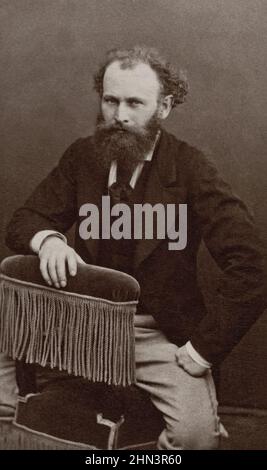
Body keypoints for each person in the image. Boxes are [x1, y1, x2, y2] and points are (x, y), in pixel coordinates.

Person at [4, 46, 266, 449]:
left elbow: (252, 264)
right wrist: (50, 240)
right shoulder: (83, 156)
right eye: (110, 101)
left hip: (155, 332)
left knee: (194, 437)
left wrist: (202, 351)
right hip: (80, 322)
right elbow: (25, 220)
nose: (120, 116)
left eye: (134, 103)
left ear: (164, 107)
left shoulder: (192, 169)